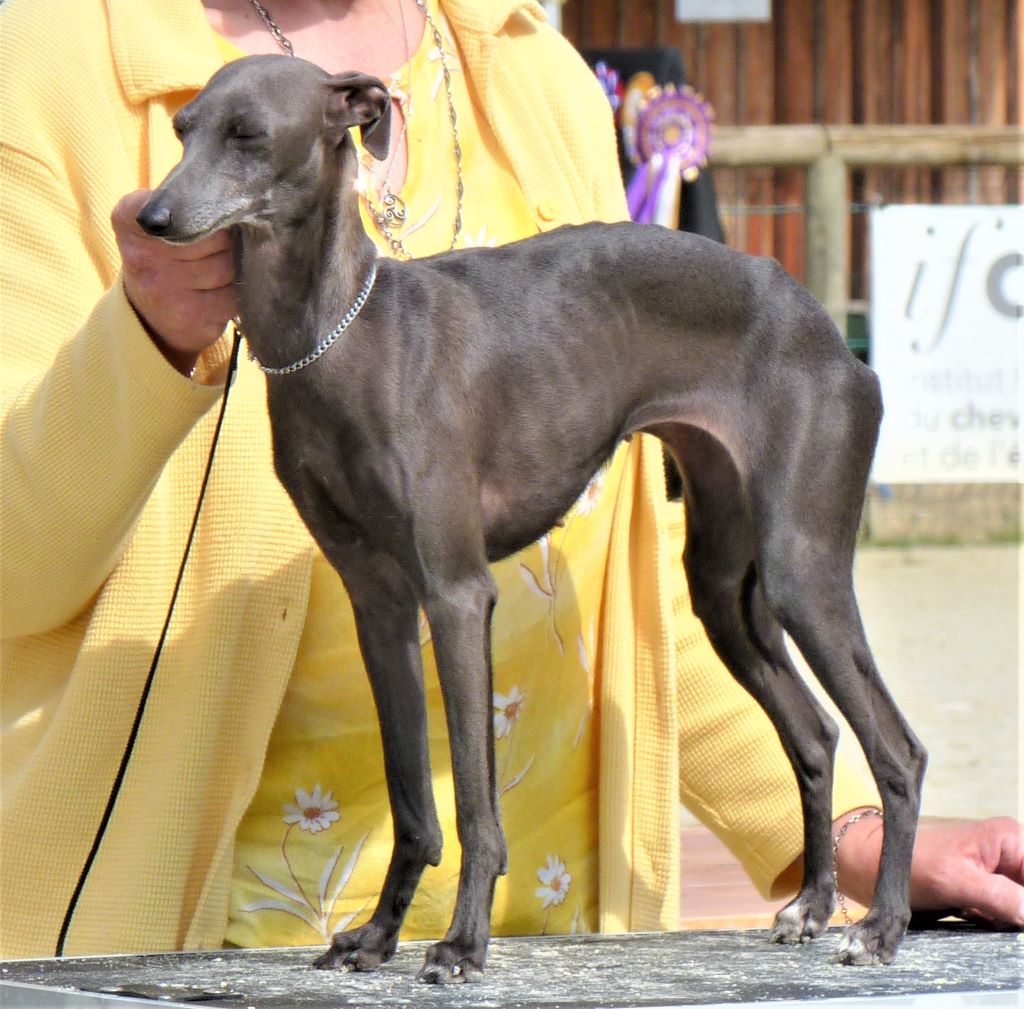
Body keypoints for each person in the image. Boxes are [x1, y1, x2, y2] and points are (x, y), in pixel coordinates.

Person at [1, 0, 1020, 961]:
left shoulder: (531, 69)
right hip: (195, 939)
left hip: (560, 933)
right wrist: (145, 342)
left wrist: (840, 827)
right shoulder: (54, 71)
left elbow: (621, 586)